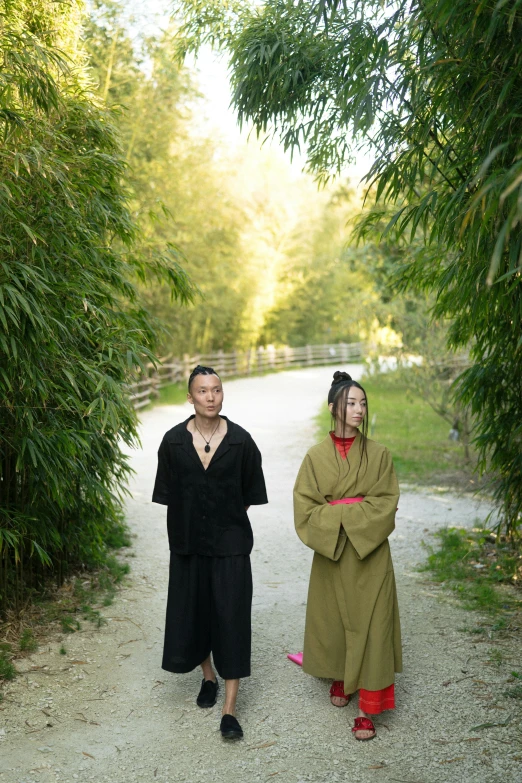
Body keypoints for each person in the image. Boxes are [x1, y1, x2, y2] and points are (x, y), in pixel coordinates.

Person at [152, 365, 268, 740]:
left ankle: (230, 710)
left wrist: (224, 523)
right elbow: (168, 495)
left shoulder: (241, 441)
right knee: (196, 612)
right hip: (188, 545)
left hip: (231, 546)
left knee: (231, 617)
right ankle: (208, 677)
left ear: (222, 394)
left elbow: (249, 495)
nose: (211, 397)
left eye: (216, 390)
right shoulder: (172, 442)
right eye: (202, 391)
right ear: (190, 397)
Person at [293, 371, 402, 741]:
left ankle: (369, 708)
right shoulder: (313, 458)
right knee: (334, 618)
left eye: (363, 402)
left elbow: (385, 504)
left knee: (373, 625)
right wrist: (348, 516)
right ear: (332, 408)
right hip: (332, 553)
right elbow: (306, 510)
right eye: (351, 403)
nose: (359, 409)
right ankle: (341, 676)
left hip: (370, 554)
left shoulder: (380, 455)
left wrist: (338, 514)